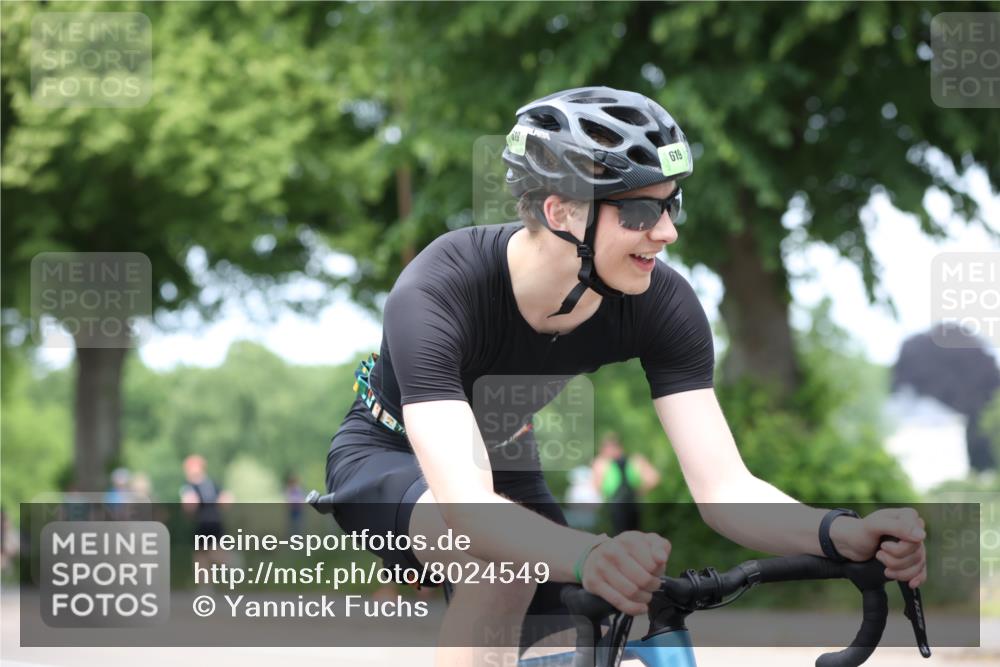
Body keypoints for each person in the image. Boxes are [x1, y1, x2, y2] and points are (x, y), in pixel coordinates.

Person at [323, 86, 927, 667]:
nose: (667, 232)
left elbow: (722, 487)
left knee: (588, 624)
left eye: (671, 204)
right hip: (389, 455)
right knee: (498, 567)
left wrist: (838, 531)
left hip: (506, 458)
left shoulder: (661, 302)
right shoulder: (437, 288)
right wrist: (590, 552)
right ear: (560, 211)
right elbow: (467, 508)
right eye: (640, 210)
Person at [591, 432, 660, 534]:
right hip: (633, 503)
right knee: (636, 534)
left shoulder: (601, 463)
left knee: (619, 536)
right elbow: (654, 478)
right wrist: (639, 491)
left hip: (615, 504)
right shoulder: (635, 460)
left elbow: (596, 486)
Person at [180, 454, 232, 577]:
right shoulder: (210, 482)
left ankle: (230, 563)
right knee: (201, 554)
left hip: (208, 522)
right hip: (206, 522)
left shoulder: (190, 486)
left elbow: (189, 506)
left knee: (210, 553)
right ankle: (205, 586)